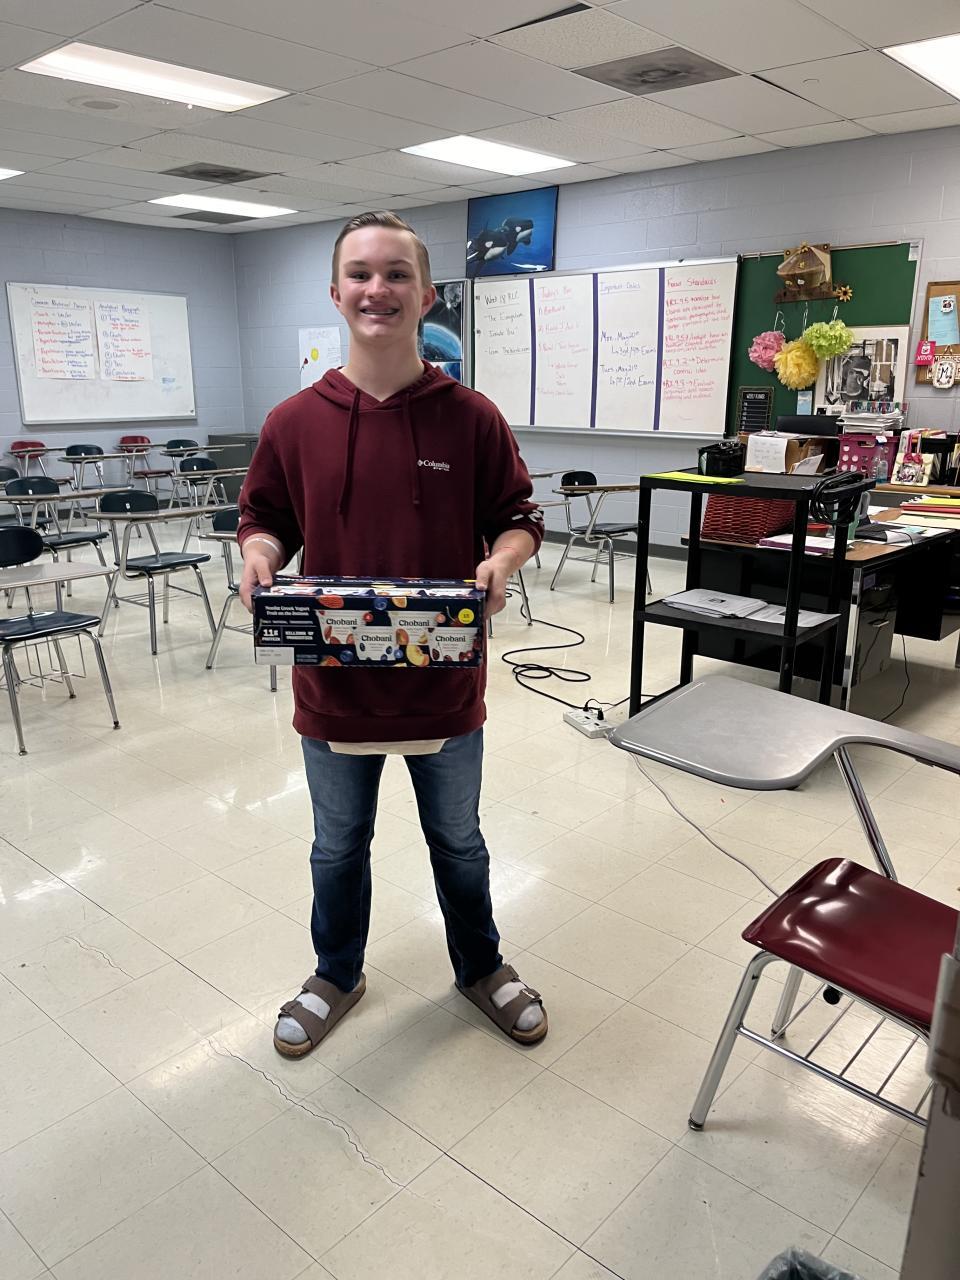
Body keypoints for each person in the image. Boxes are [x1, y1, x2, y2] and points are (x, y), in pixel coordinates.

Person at [238, 211, 547, 1057]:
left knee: (460, 842)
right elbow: (265, 519)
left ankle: (480, 967)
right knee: (337, 846)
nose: (379, 289)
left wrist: (503, 560)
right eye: (362, 274)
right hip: (333, 687)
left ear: (427, 294)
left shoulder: (471, 417)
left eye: (397, 274)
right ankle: (336, 974)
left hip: (441, 682)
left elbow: (518, 517)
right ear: (336, 293)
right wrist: (260, 556)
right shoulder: (292, 421)